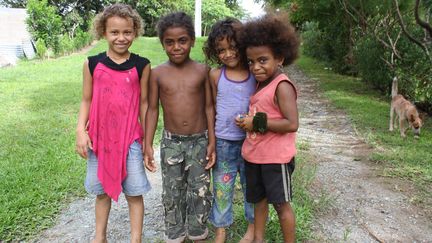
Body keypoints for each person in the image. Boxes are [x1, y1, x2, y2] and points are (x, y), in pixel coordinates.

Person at [75, 4, 151, 243]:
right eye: (114, 32)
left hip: (130, 139)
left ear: (135, 31)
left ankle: (135, 239)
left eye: (127, 32)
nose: (121, 38)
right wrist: (80, 131)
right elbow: (86, 99)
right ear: (104, 32)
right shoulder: (92, 63)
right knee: (101, 192)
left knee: (135, 192)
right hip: (100, 139)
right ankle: (100, 237)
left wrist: (147, 144)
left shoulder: (142, 65)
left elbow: (145, 105)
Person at [144, 12, 216, 243]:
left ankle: (197, 232)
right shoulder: (157, 73)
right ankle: (174, 233)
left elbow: (208, 107)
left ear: (192, 41)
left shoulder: (202, 71)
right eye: (169, 42)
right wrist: (147, 144)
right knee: (172, 191)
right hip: (171, 143)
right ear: (163, 43)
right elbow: (152, 109)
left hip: (200, 141)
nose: (176, 47)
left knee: (200, 190)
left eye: (182, 40)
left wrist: (212, 141)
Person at [236, 13, 300, 243]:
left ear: (280, 57)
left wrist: (256, 122)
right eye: (251, 61)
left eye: (263, 60)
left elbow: (292, 123)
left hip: (275, 159)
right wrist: (247, 121)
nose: (255, 67)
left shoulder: (282, 85)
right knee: (259, 201)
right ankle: (258, 239)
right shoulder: (262, 83)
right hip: (255, 156)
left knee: (281, 205)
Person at [202, 18, 255, 243]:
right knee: (222, 188)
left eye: (233, 47)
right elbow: (210, 107)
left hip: (252, 142)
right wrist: (212, 141)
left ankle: (252, 228)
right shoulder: (215, 75)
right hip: (224, 142)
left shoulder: (256, 74)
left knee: (251, 187)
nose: (228, 54)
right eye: (221, 50)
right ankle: (220, 230)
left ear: (243, 46)